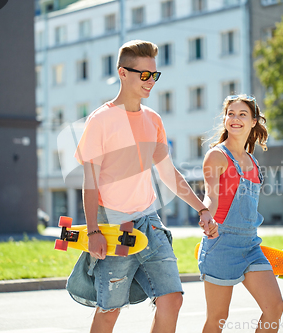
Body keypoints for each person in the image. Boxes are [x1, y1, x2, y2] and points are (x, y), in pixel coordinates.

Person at [67, 40, 218, 333]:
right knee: (109, 310)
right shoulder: (101, 120)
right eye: (144, 75)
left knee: (172, 299)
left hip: (150, 223)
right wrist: (94, 230)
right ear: (123, 73)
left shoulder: (153, 120)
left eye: (154, 75)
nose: (151, 82)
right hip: (113, 226)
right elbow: (90, 182)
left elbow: (169, 174)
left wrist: (202, 208)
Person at [198, 94, 283, 332]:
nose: (235, 119)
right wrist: (207, 215)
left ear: (254, 121)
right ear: (225, 119)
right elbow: (211, 195)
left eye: (242, 114)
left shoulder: (252, 162)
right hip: (221, 243)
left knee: (274, 307)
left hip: (250, 245)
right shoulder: (217, 155)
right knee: (217, 319)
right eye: (231, 114)